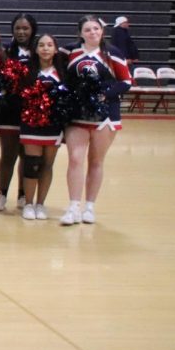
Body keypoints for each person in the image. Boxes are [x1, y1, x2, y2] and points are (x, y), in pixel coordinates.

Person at [61, 15, 131, 226]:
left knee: (96, 161)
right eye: (88, 30)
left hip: (105, 114)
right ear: (80, 33)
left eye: (96, 29)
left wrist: (104, 95)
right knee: (75, 159)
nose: (92, 33)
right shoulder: (70, 52)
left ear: (102, 31)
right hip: (77, 114)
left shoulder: (112, 53)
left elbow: (126, 81)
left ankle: (89, 207)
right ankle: (73, 206)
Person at [19, 33, 68, 221]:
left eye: (49, 45)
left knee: (47, 164)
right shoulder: (27, 70)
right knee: (32, 163)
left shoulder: (62, 71)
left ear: (56, 49)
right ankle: (28, 204)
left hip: (53, 125)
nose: (45, 48)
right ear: (36, 49)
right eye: (41, 45)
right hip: (31, 124)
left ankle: (41, 204)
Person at [0, 13, 38, 212]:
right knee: (8, 154)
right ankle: (1, 193)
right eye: (18, 28)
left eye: (25, 28)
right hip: (8, 111)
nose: (21, 32)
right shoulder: (4, 52)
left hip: (33, 110)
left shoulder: (40, 51)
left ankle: (22, 194)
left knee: (27, 155)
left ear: (32, 30)